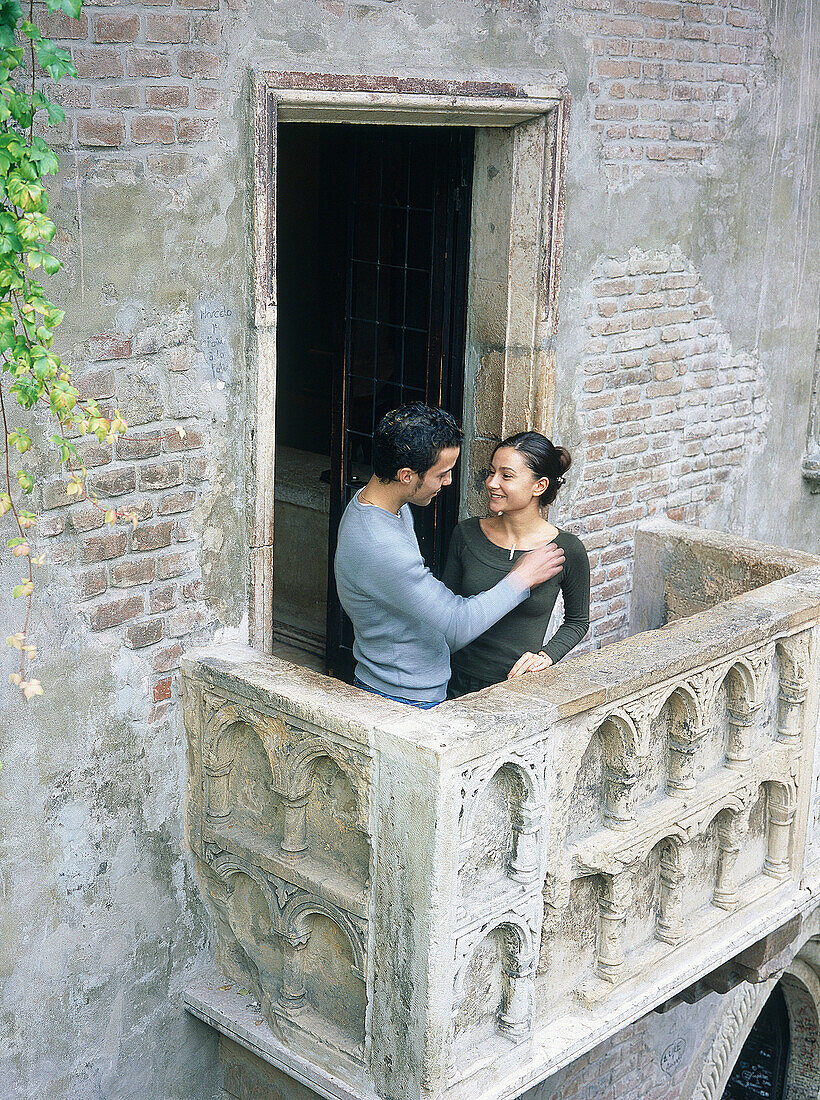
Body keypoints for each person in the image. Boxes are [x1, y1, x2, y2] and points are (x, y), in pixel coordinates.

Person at [334, 404, 566, 708]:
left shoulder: (390, 506)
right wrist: (522, 578)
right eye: (441, 474)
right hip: (401, 699)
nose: (448, 482)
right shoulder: (380, 544)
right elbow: (457, 624)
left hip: (412, 688)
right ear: (406, 475)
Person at [442, 431, 590, 698]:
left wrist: (547, 656)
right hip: (452, 682)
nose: (492, 483)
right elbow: (445, 608)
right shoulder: (466, 534)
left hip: (515, 690)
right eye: (491, 472)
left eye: (506, 476)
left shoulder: (567, 549)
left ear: (540, 486)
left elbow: (578, 621)